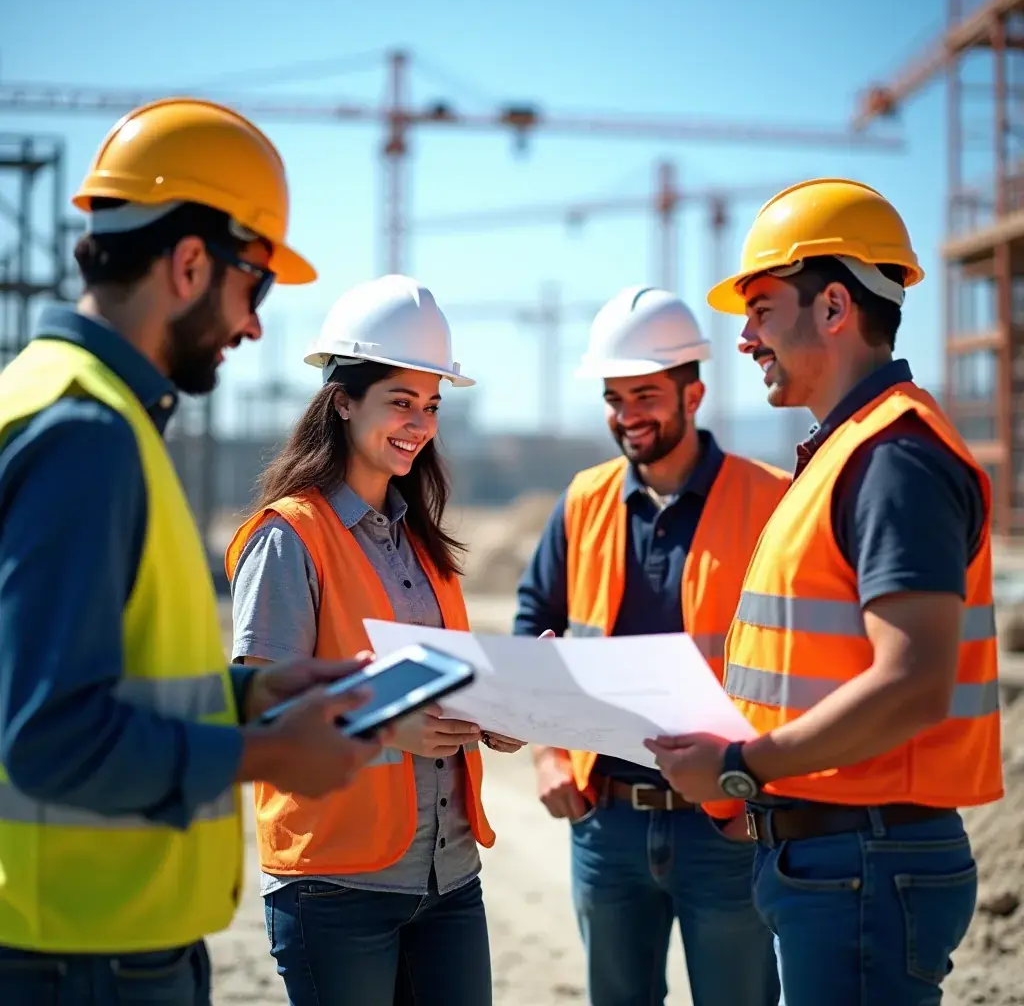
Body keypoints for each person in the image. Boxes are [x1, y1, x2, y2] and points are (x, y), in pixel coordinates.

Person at [0, 97, 383, 1006]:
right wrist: (264, 754)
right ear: (188, 264)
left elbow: (99, 677)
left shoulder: (61, 402)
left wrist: (249, 693)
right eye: (256, 288)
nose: (253, 325)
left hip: (88, 947)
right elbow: (49, 735)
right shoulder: (84, 432)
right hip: (81, 957)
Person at [645, 178, 1003, 1006]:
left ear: (834, 306)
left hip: (865, 864)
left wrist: (740, 767)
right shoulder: (846, 455)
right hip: (836, 861)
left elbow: (913, 683)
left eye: (762, 309)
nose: (744, 339)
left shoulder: (893, 459)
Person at [225, 273, 524, 1006]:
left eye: (431, 406)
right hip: (335, 888)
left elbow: (438, 683)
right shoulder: (289, 538)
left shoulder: (422, 544)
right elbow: (259, 714)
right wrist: (392, 729)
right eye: (400, 401)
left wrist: (503, 710)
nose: (419, 424)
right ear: (342, 401)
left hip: (448, 878)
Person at [513, 284, 787, 1006]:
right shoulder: (583, 501)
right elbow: (532, 627)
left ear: (693, 394)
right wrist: (546, 754)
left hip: (728, 824)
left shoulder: (774, 501)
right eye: (614, 397)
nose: (627, 415)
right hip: (606, 822)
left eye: (645, 394)